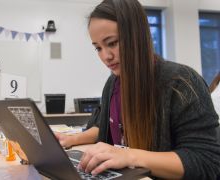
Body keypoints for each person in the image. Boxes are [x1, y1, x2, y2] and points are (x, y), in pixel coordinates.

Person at [77, 0, 220, 179]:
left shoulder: (181, 82)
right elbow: (102, 132)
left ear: (137, 36)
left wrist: (130, 155)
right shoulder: (112, 84)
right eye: (98, 48)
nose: (106, 56)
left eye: (112, 43)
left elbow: (206, 162)